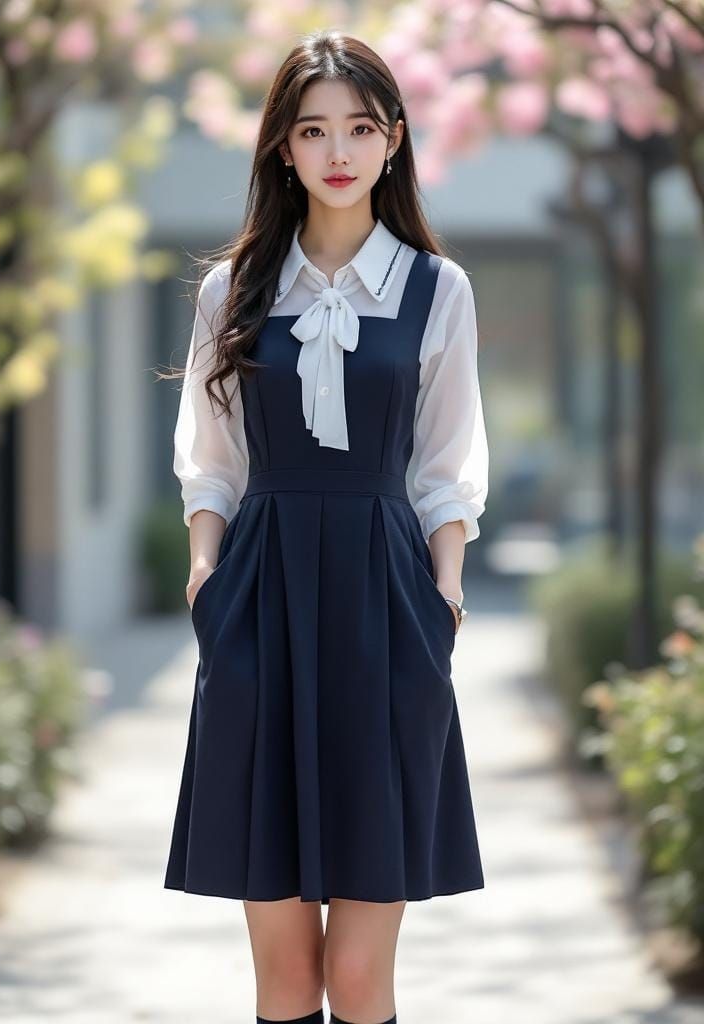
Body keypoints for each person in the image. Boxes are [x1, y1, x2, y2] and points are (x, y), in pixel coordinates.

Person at [162, 28, 489, 1024]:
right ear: (282, 149)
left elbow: (446, 464)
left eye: (358, 127)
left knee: (358, 976)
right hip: (260, 600)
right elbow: (210, 456)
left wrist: (445, 592)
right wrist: (204, 577)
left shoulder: (438, 290)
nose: (337, 150)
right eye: (313, 130)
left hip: (389, 604)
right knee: (284, 975)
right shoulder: (234, 289)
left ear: (393, 140)